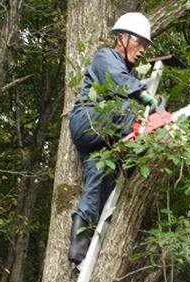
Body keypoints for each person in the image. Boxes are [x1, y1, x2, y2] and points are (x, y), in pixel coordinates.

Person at [68, 12, 157, 265]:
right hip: (89, 121)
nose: (142, 51)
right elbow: (118, 81)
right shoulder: (106, 57)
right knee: (132, 112)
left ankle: (78, 248)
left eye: (145, 46)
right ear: (122, 38)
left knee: (100, 177)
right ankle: (137, 133)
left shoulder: (129, 73)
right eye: (139, 42)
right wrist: (143, 98)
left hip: (102, 138)